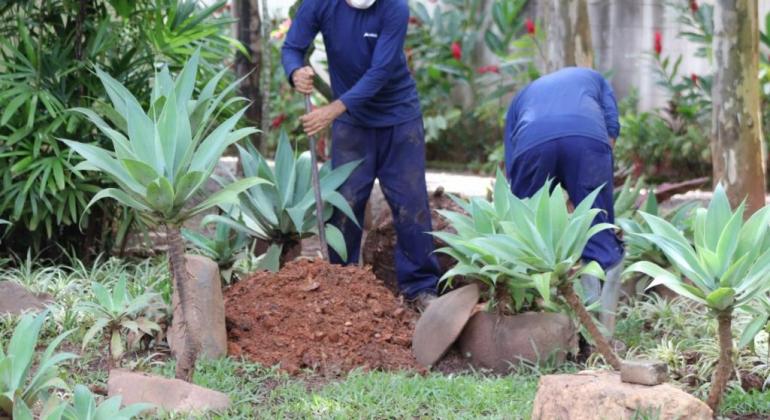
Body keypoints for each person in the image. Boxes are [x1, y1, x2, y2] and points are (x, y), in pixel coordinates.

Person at [281, 0, 440, 308]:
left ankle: (421, 288)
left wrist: (333, 110)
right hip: (353, 126)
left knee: (411, 204)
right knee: (345, 205)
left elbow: (380, 72)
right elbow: (292, 47)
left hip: (399, 120)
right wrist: (294, 72)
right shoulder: (320, 4)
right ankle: (341, 283)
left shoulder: (394, 7)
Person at [503, 67, 625, 336]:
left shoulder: (522, 97)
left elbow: (513, 170)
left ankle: (532, 318)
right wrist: (583, 190)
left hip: (532, 141)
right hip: (586, 139)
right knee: (598, 230)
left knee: (527, 230)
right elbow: (610, 134)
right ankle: (601, 333)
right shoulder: (598, 80)